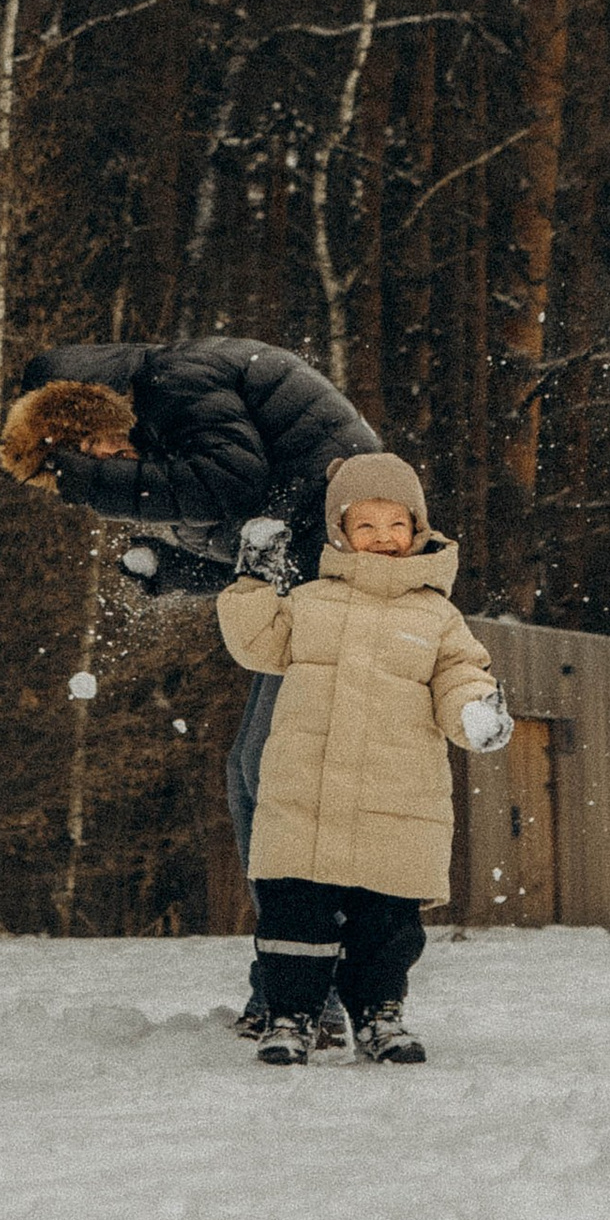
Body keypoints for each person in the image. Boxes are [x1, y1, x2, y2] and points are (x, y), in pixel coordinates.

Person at [1, 331, 380, 1037]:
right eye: (83, 467)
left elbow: (232, 484)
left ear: (97, 414)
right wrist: (172, 570)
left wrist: (93, 485)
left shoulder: (175, 380)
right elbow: (246, 540)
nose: (104, 467)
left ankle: (305, 991)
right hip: (315, 577)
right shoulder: (166, 422)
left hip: (349, 568)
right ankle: (292, 983)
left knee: (271, 776)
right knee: (251, 774)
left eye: (90, 453)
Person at [216, 453, 509, 1067]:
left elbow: (461, 674)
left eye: (396, 525)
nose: (382, 538)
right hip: (308, 794)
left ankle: (380, 1014)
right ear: (341, 533)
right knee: (295, 913)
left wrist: (476, 711)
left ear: (418, 529)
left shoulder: (437, 615)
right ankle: (289, 1015)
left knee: (387, 922)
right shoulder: (310, 601)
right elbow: (255, 644)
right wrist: (253, 582)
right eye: (366, 526)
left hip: (396, 798)